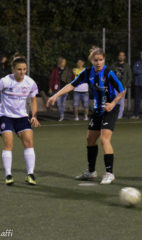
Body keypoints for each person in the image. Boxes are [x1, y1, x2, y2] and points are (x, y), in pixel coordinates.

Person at [47, 47, 125, 184]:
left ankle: (109, 173)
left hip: (110, 109)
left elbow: (121, 90)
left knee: (104, 139)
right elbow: (72, 85)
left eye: (101, 59)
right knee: (90, 139)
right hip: (97, 110)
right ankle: (91, 171)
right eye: (96, 60)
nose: (99, 62)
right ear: (91, 61)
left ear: (104, 60)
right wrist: (55, 95)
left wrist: (113, 103)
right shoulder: (87, 72)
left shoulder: (109, 73)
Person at [0, 56, 40, 185]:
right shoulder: (5, 81)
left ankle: (30, 174)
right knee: (9, 144)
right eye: (19, 69)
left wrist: (34, 115)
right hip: (5, 116)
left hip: (22, 117)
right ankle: (8, 175)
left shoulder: (30, 83)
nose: (22, 72)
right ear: (13, 69)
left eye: (24, 69)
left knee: (29, 142)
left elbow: (33, 100)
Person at [48, 57, 73, 121]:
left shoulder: (67, 70)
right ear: (60, 62)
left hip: (65, 89)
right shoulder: (55, 70)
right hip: (57, 90)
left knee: (63, 103)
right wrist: (50, 88)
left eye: (65, 62)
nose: (64, 63)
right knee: (59, 103)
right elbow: (52, 79)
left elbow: (72, 78)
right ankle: (61, 115)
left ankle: (61, 114)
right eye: (63, 62)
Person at [112, 51, 132, 119]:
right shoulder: (114, 65)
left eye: (122, 55)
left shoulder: (126, 66)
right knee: (114, 100)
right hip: (115, 86)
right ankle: (114, 115)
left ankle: (119, 116)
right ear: (118, 56)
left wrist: (125, 85)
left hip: (122, 86)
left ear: (124, 57)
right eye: (120, 55)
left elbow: (130, 77)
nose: (121, 57)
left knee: (121, 101)